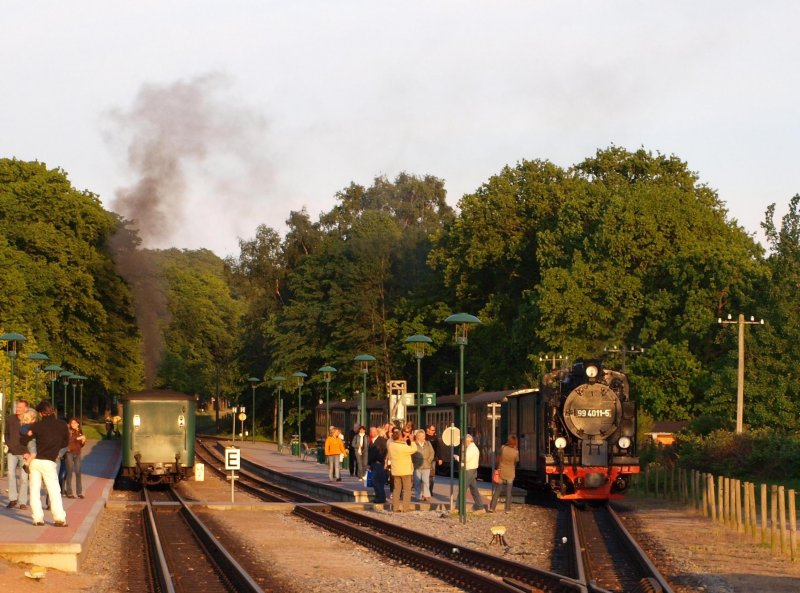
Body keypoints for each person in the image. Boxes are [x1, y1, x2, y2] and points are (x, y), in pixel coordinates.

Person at [26, 400, 69, 527]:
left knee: (34, 490)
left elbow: (28, 440)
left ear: (40, 413)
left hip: (35, 461)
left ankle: (38, 519)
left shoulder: (36, 426)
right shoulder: (61, 425)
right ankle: (59, 518)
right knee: (54, 490)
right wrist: (57, 453)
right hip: (50, 461)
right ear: (52, 411)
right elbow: (65, 443)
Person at [4, 400, 31, 510]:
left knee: (24, 478)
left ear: (26, 408)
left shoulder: (29, 420)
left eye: (20, 407)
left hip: (25, 453)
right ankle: (12, 499)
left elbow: (33, 437)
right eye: (17, 406)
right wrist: (10, 445)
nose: (18, 408)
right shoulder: (10, 419)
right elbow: (6, 434)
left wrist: (29, 451)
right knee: (11, 474)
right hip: (12, 452)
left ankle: (23, 501)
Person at [387, 428, 418, 512]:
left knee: (396, 490)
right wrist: (412, 441)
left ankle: (395, 507)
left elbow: (394, 442)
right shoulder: (403, 447)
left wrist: (403, 440)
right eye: (401, 436)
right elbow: (414, 449)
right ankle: (406, 507)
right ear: (400, 437)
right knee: (407, 490)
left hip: (396, 470)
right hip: (405, 471)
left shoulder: (391, 445)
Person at [489, 435, 520, 513]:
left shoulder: (503, 448)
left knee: (498, 490)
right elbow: (516, 461)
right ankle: (507, 509)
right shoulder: (516, 452)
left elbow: (499, 458)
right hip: (510, 473)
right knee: (508, 492)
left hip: (501, 472)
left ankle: (492, 508)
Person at [457, 434, 486, 512]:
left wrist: (457, 457)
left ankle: (458, 507)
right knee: (474, 490)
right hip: (473, 470)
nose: (463, 443)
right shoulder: (473, 448)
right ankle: (480, 506)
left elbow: (465, 459)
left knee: (462, 488)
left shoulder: (471, 449)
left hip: (468, 470)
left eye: (464, 441)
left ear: (468, 441)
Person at [64, 418, 87, 499]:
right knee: (69, 472)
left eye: (75, 423)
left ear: (78, 424)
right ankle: (69, 492)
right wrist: (77, 438)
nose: (73, 424)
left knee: (78, 472)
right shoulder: (68, 431)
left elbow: (81, 445)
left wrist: (83, 441)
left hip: (77, 453)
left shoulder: (79, 431)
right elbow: (68, 441)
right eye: (72, 423)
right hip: (69, 453)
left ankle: (79, 492)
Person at [411, 429, 434, 501]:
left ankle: (426, 495)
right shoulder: (414, 443)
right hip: (417, 465)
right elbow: (411, 454)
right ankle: (417, 496)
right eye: (421, 436)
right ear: (417, 437)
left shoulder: (428, 443)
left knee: (426, 481)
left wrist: (429, 460)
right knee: (417, 481)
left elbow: (432, 452)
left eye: (424, 436)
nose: (423, 437)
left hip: (426, 465)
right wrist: (413, 462)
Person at [368, 427, 388, 504]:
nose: (370, 433)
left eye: (372, 432)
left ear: (376, 432)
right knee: (375, 481)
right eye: (370, 432)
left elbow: (384, 451)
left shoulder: (381, 440)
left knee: (378, 481)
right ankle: (378, 496)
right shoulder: (372, 440)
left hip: (378, 463)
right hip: (373, 463)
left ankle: (381, 498)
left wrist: (380, 459)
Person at [425, 424, 442, 493]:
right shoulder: (424, 437)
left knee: (432, 476)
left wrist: (440, 458)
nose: (433, 431)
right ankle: (425, 491)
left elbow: (438, 448)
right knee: (425, 475)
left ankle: (430, 491)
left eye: (434, 430)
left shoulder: (435, 438)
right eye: (432, 430)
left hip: (433, 459)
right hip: (424, 459)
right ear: (427, 430)